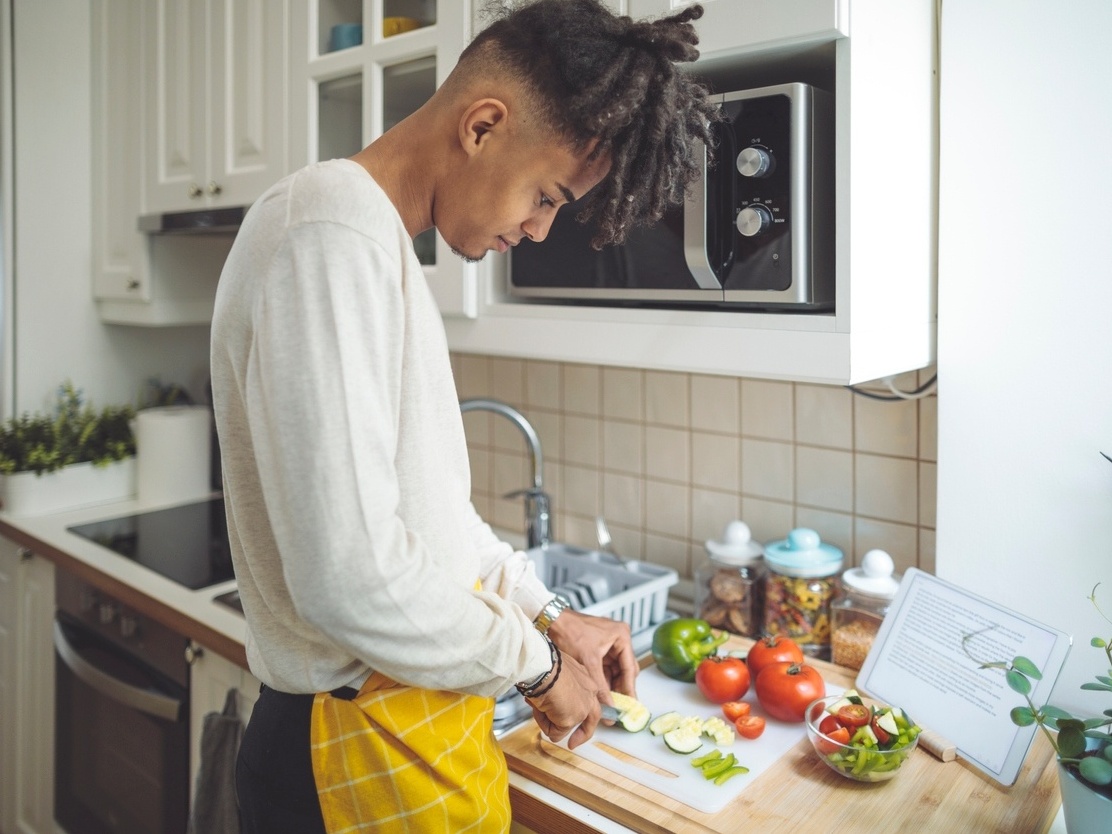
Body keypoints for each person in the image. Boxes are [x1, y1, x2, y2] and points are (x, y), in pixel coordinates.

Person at [209, 1, 720, 831]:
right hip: (342, 741)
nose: (539, 227)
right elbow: (354, 579)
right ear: (483, 126)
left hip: (395, 729)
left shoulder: (374, 244)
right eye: (546, 195)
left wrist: (551, 615)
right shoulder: (329, 234)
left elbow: (433, 521)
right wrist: (537, 666)